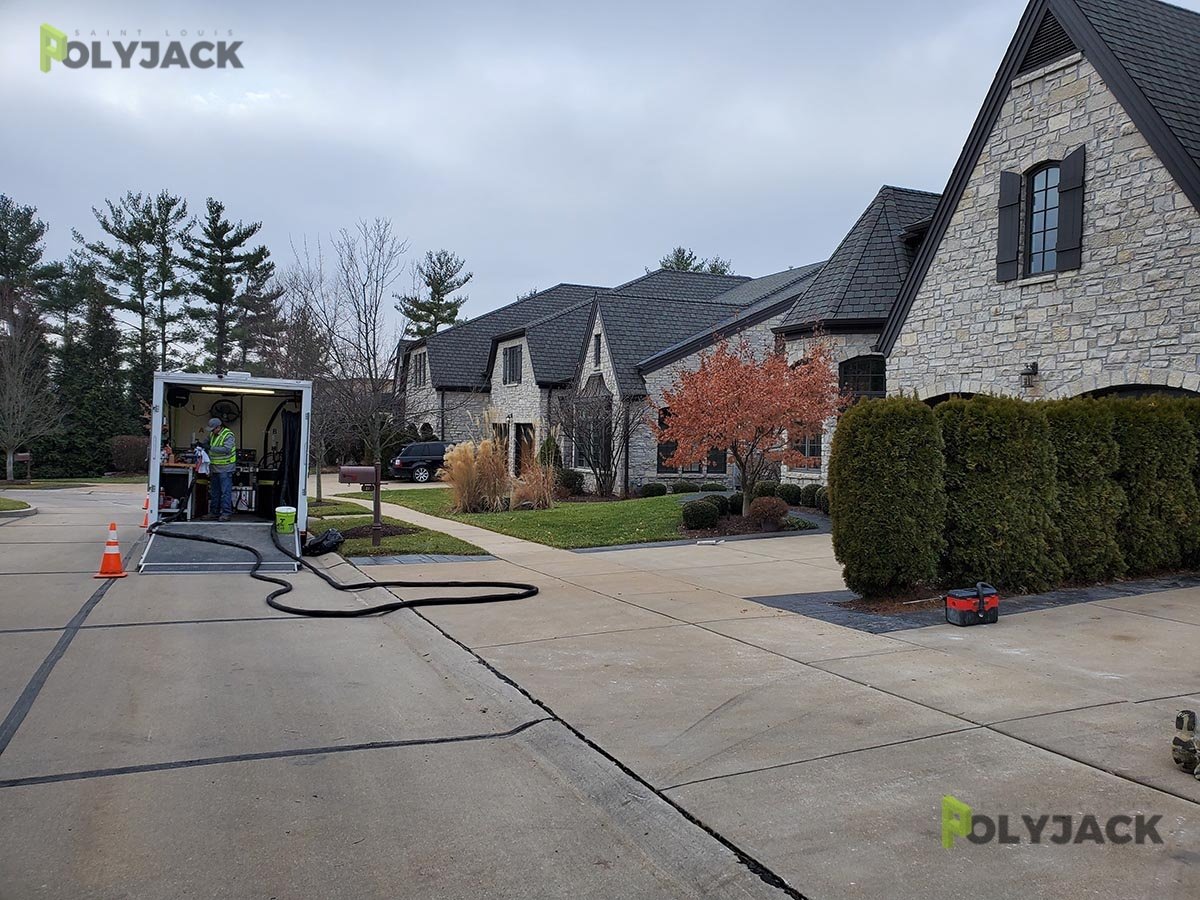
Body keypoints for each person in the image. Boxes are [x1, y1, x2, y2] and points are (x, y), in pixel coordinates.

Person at [205, 416, 237, 521]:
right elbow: (206, 442)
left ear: (218, 427)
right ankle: (214, 512)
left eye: (213, 429)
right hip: (215, 468)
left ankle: (226, 513)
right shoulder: (212, 434)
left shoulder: (228, 435)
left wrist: (210, 448)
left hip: (226, 468)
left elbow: (227, 449)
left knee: (225, 492)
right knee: (215, 492)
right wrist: (201, 445)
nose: (211, 431)